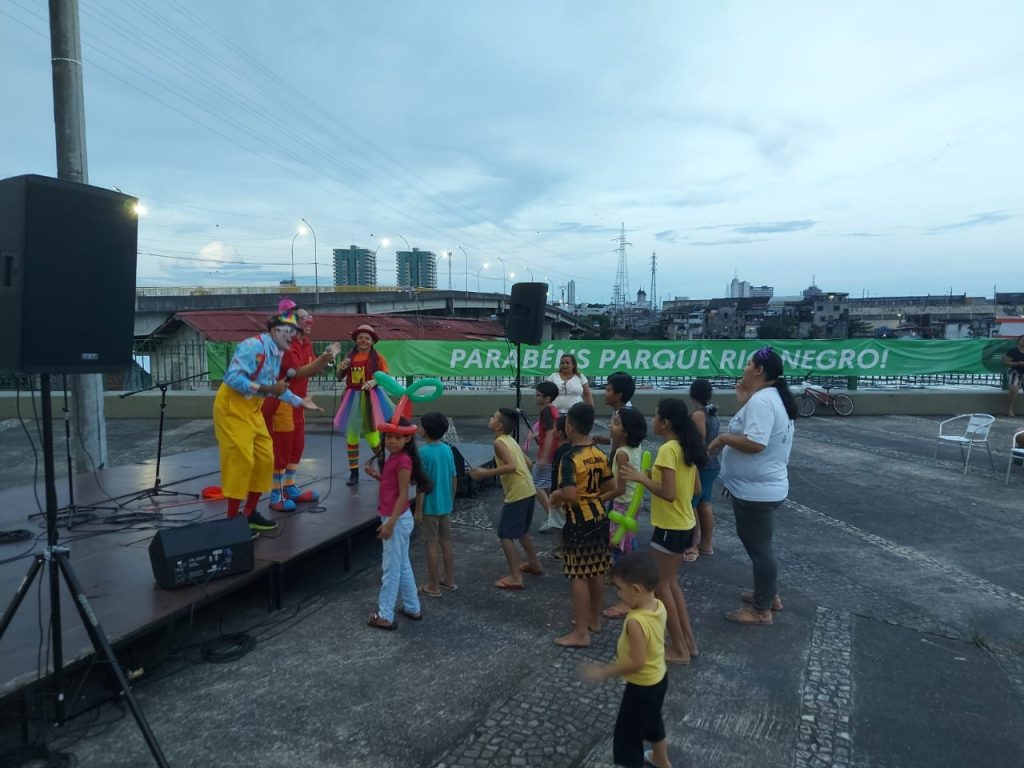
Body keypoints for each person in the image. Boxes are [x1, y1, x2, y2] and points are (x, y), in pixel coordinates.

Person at [708, 346, 797, 627]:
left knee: (760, 550)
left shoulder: (763, 401)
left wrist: (722, 439)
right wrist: (744, 401)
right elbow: (749, 430)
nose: (744, 368)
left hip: (756, 491)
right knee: (760, 546)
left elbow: (755, 443)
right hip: (761, 487)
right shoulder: (766, 398)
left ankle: (762, 609)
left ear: (759, 370)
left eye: (748, 364)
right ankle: (767, 594)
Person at [213, 311, 320, 532]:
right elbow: (232, 378)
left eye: (295, 332)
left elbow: (273, 385)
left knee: (265, 459)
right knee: (242, 459)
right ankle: (232, 520)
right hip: (232, 407)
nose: (292, 336)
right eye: (288, 331)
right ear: (273, 330)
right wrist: (269, 388)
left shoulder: (278, 352)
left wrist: (299, 401)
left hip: (253, 407)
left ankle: (250, 513)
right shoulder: (253, 346)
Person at [621, 399, 703, 664]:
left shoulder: (668, 449)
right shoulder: (685, 447)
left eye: (655, 415)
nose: (652, 420)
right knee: (670, 584)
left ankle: (679, 649)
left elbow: (668, 493)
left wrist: (641, 477)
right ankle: (688, 643)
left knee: (660, 587)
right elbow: (696, 490)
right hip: (684, 524)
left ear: (665, 422)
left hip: (670, 527)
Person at [583, 551, 672, 768]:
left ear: (636, 590)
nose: (619, 595)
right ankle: (662, 761)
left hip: (642, 687)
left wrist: (605, 671)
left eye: (620, 589)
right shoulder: (658, 605)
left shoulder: (636, 621)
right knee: (652, 722)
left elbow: (637, 662)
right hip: (659, 679)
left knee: (627, 738)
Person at [262, 299, 340, 512]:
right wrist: (325, 357)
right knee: (282, 448)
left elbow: (313, 367)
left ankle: (290, 487)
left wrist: (326, 357)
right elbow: (299, 371)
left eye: (309, 317)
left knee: (297, 446)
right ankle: (276, 493)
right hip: (281, 403)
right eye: (304, 317)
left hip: (298, 402)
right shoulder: (285, 344)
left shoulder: (305, 342)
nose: (309, 320)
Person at [548, 403, 615, 648]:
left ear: (570, 426)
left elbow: (570, 494)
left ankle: (580, 631)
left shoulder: (569, 457)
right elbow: (612, 488)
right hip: (599, 517)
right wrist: (594, 499)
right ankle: (594, 620)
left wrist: (555, 496)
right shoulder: (598, 453)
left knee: (578, 574)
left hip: (578, 521)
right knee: (596, 569)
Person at [365, 418, 433, 630]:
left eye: (397, 437)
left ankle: (385, 614)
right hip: (395, 518)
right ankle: (413, 607)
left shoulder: (403, 461)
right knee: (402, 565)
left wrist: (390, 523)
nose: (391, 441)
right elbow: (392, 487)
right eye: (389, 437)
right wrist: (377, 475)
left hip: (396, 519)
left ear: (408, 438)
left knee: (391, 569)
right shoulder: (395, 458)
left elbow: (404, 494)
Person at [469, 408, 544, 590]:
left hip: (517, 493)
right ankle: (534, 564)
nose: (490, 418)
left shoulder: (499, 443)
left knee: (505, 534)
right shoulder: (510, 440)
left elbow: (511, 466)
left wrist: (485, 472)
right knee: (522, 531)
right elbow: (527, 463)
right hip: (528, 489)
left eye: (493, 417)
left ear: (499, 426)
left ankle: (515, 577)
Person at [601, 407, 648, 620]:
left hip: (621, 504)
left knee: (619, 545)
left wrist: (598, 499)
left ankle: (629, 586)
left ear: (626, 431)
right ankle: (625, 574)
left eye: (617, 423)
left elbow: (619, 488)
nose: (612, 426)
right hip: (632, 503)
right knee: (627, 542)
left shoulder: (621, 453)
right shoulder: (635, 447)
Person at [334, 324, 394, 486]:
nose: (363, 340)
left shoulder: (378, 357)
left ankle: (384, 468)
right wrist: (339, 369)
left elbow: (385, 376)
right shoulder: (349, 356)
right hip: (351, 398)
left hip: (369, 399)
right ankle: (354, 473)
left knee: (373, 438)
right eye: (360, 337)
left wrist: (374, 381)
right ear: (356, 340)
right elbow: (339, 376)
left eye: (367, 338)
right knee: (352, 437)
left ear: (372, 341)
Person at [416, 411, 458, 598]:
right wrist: (451, 498)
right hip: (445, 505)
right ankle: (449, 580)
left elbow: (421, 486)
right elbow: (454, 476)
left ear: (424, 431)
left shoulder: (423, 453)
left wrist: (418, 510)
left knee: (431, 544)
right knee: (446, 542)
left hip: (430, 507)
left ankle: (433, 585)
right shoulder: (447, 449)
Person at [683, 378, 720, 561]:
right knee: (705, 503)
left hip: (702, 465)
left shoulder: (698, 414)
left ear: (692, 394)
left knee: (692, 504)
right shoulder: (712, 412)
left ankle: (693, 545)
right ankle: (706, 544)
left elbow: (700, 439)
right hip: (712, 464)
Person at [531, 381, 563, 533]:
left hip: (547, 456)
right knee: (549, 486)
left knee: (535, 484)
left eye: (538, 395)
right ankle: (558, 514)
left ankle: (551, 516)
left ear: (547, 398)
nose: (536, 398)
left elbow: (551, 432)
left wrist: (544, 454)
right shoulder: (553, 410)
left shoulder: (546, 412)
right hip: (554, 455)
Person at [593, 371, 637, 450]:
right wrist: (601, 440)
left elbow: (618, 445)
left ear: (618, 395)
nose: (605, 394)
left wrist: (610, 462)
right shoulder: (621, 410)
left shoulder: (624, 416)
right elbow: (615, 441)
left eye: (608, 390)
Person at [1004, 336, 1024, 417]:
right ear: (1019, 341)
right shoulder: (1013, 351)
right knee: (1014, 390)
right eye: (1022, 340)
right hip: (1015, 372)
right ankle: (1010, 409)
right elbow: (1005, 361)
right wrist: (1018, 364)